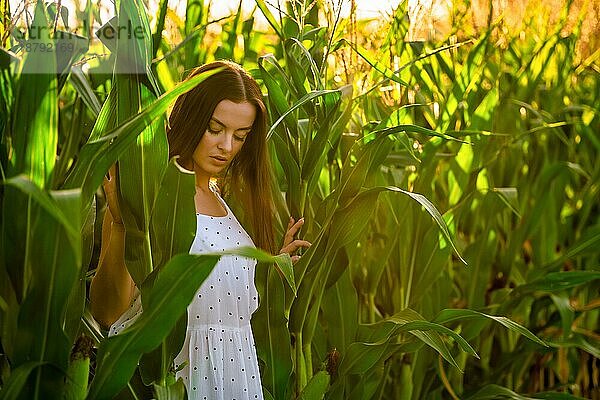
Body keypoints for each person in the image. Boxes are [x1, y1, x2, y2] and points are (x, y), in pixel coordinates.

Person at [89, 60, 311, 400]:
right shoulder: (148, 196)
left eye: (240, 136)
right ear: (190, 118)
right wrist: (123, 225)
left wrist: (270, 268)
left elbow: (228, 310)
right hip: (176, 383)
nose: (227, 146)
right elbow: (107, 312)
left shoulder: (226, 202)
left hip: (237, 378)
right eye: (214, 129)